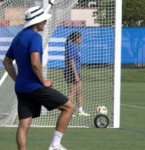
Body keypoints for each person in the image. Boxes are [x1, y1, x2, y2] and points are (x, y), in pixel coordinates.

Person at [3, 6, 75, 150]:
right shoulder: (35, 36)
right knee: (69, 107)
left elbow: (6, 61)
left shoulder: (18, 36)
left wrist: (17, 80)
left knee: (24, 124)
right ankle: (55, 145)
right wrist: (43, 82)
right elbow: (35, 62)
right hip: (34, 86)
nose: (45, 22)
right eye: (44, 20)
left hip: (21, 87)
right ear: (37, 22)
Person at [64, 31, 90, 116]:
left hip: (75, 72)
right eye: (80, 38)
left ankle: (80, 111)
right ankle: (66, 110)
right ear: (76, 39)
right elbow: (71, 61)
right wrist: (75, 75)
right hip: (71, 72)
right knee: (73, 92)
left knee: (80, 91)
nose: (81, 39)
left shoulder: (75, 47)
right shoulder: (71, 47)